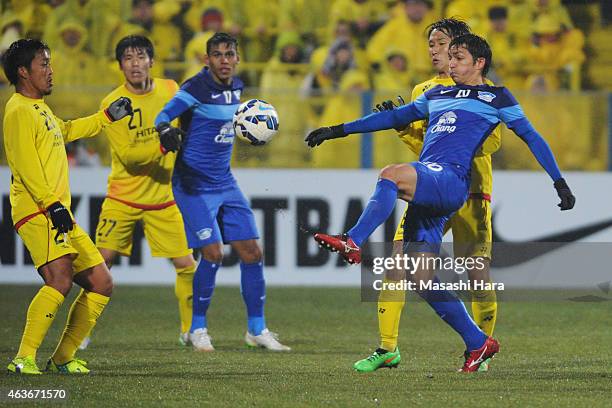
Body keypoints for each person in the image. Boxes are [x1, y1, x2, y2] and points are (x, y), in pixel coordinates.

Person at [306, 33, 575, 372]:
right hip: (431, 183)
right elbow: (392, 118)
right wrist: (337, 129)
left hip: (451, 179)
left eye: (459, 57)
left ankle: (352, 240)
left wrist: (559, 181)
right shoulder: (436, 93)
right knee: (421, 278)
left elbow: (531, 136)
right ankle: (478, 343)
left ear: (479, 63)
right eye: (450, 57)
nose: (451, 63)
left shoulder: (496, 97)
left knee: (391, 174)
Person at [355, 18, 502, 373]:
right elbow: (426, 148)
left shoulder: (485, 88)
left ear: (460, 48)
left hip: (472, 193)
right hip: (432, 189)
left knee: (476, 272)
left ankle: (479, 351)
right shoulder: (424, 89)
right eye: (431, 45)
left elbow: (492, 143)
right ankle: (387, 348)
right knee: (398, 264)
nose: (434, 50)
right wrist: (404, 127)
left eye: (440, 43)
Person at [2, 38, 132, 374]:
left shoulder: (40, 110)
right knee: (59, 280)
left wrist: (106, 117)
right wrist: (51, 205)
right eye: (43, 64)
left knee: (101, 282)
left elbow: (69, 129)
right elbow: (26, 165)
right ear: (22, 72)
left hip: (58, 212)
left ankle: (62, 357)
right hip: (38, 210)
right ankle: (23, 358)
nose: (50, 70)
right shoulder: (17, 110)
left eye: (49, 63)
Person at [154, 32, 290, 352]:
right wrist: (165, 131)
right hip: (193, 185)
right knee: (213, 253)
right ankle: (197, 328)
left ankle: (256, 329)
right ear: (207, 59)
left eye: (229, 54)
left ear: (237, 58)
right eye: (217, 55)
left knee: (252, 253)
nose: (224, 61)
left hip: (225, 183)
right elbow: (163, 115)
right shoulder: (194, 88)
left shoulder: (238, 89)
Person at [79, 35, 196, 350]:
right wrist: (161, 143)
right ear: (120, 66)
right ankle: (80, 332)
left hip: (163, 198)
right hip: (122, 198)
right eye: (128, 58)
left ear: (151, 62)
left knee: (187, 265)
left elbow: (191, 118)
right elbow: (130, 158)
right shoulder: (112, 104)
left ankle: (191, 331)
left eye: (140, 56)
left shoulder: (171, 89)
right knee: (101, 265)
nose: (134, 63)